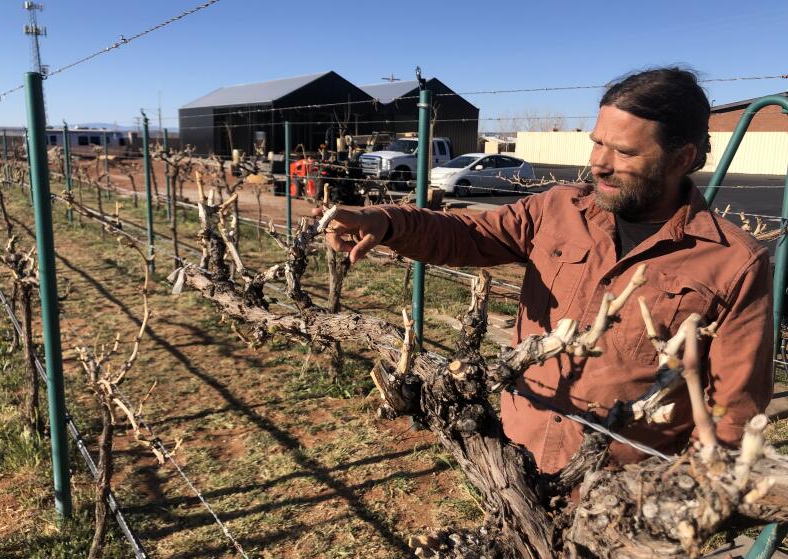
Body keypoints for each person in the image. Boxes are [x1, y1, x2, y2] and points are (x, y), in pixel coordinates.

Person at [316, 67, 774, 473]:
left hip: (622, 491)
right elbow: (466, 234)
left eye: (624, 153)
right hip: (517, 458)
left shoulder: (732, 263)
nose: (599, 163)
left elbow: (732, 408)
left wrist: (681, 501)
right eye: (596, 142)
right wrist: (388, 221)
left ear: (682, 159)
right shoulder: (556, 210)